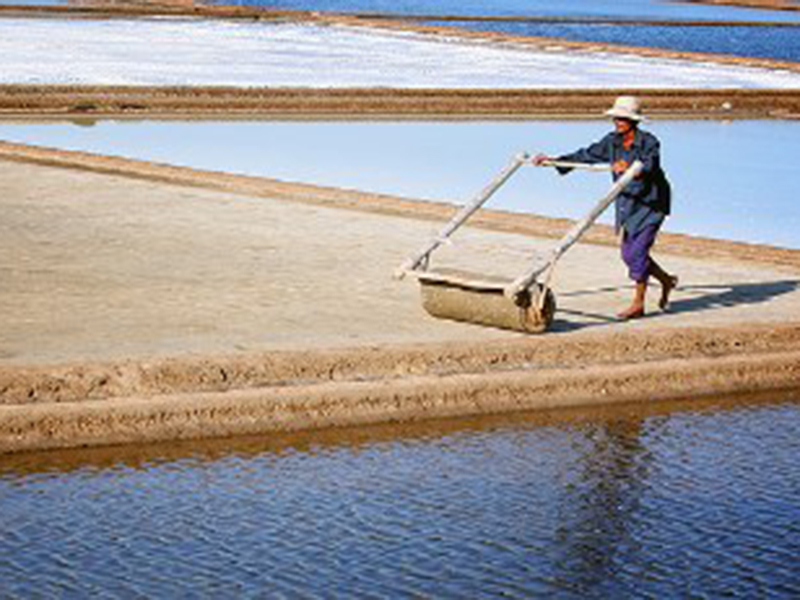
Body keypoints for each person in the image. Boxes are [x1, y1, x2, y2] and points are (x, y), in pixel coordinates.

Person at [533, 95, 678, 320]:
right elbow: (587, 155)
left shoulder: (649, 141)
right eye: (616, 118)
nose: (618, 122)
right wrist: (555, 161)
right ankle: (666, 280)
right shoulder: (611, 141)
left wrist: (632, 167)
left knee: (636, 254)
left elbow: (651, 164)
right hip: (627, 202)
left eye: (623, 118)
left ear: (634, 121)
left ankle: (638, 304)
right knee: (629, 254)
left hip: (651, 203)